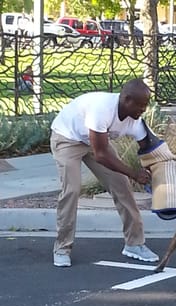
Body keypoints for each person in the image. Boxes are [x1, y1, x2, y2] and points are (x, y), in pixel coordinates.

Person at [50, 78, 159, 267]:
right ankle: (62, 248)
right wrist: (134, 174)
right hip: (67, 138)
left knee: (122, 186)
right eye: (141, 105)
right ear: (126, 99)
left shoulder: (134, 121)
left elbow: (148, 149)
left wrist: (160, 171)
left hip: (96, 142)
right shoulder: (102, 109)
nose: (143, 110)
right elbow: (101, 155)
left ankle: (134, 244)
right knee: (72, 190)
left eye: (146, 105)